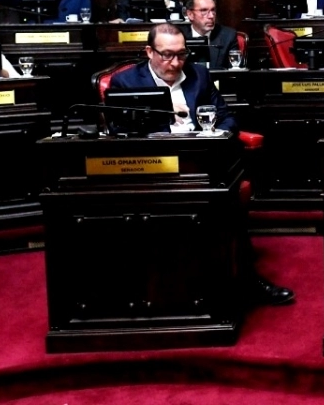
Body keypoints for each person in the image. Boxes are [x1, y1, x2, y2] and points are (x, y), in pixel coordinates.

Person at [109, 23, 294, 306]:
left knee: (226, 197)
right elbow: (121, 132)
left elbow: (228, 117)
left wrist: (214, 135)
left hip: (205, 161)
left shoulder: (199, 75)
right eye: (166, 55)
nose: (175, 62)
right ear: (149, 52)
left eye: (182, 54)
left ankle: (245, 280)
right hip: (156, 168)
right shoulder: (127, 83)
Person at [181, 0, 240, 70]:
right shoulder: (179, 36)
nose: (211, 16)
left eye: (213, 10)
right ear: (190, 14)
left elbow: (234, 73)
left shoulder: (228, 36)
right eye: (204, 11)